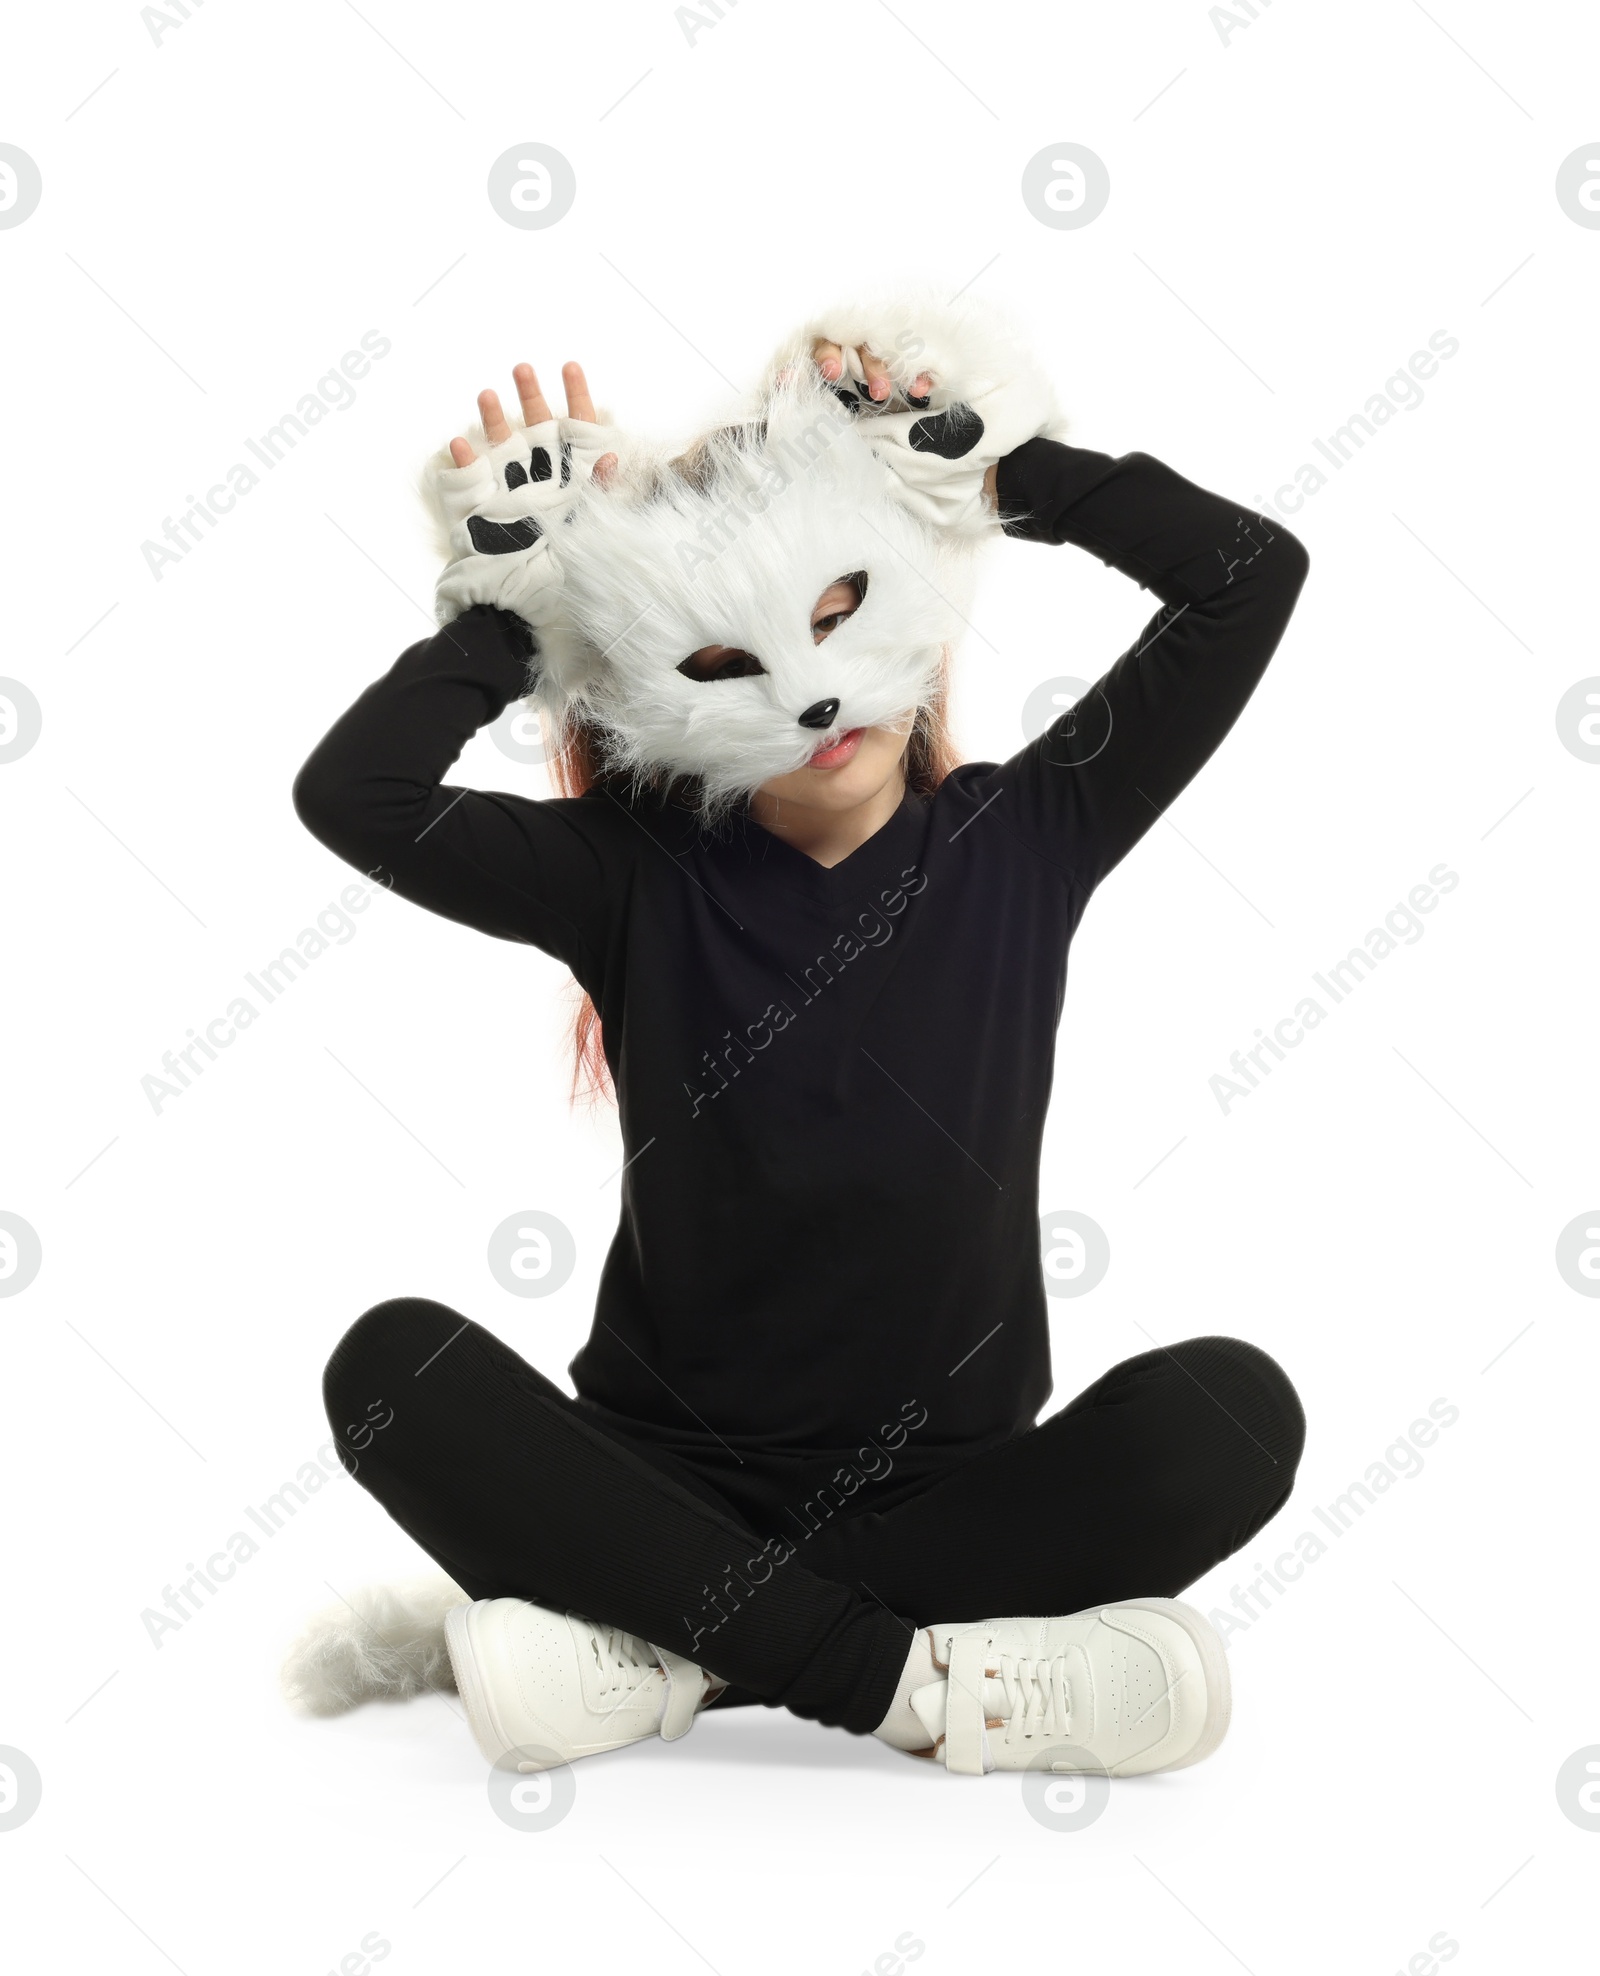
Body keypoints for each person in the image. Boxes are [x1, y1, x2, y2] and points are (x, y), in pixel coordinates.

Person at [291, 310, 1310, 1779]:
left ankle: (670, 1653)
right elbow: (356, 799)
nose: (812, 697)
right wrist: (511, 621)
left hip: (952, 1494)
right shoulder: (625, 876)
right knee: (389, 1367)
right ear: (653, 682)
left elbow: (1246, 579)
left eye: (841, 607)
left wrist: (999, 479)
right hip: (656, 1475)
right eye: (722, 653)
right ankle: (916, 1687)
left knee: (1235, 1410)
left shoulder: (1029, 833)